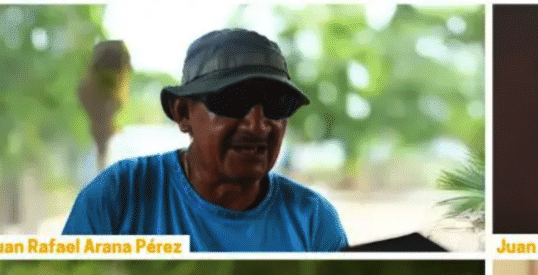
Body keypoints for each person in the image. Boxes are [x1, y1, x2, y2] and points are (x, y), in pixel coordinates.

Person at [63, 29, 348, 252]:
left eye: (276, 104)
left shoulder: (313, 221)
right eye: (233, 100)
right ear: (183, 113)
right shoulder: (118, 198)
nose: (257, 124)